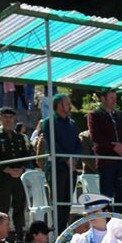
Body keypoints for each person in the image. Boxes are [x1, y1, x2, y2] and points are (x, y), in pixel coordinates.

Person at [40, 93, 84, 230]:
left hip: (71, 167)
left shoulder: (72, 123)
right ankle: (56, 229)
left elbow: (78, 143)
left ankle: (64, 228)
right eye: (67, 103)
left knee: (67, 201)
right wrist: (65, 159)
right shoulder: (49, 122)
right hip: (56, 166)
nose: (70, 106)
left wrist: (74, 159)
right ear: (59, 105)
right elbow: (52, 143)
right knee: (58, 199)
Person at [86, 89, 122, 211]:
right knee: (107, 195)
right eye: (111, 98)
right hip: (106, 161)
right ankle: (107, 223)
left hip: (121, 161)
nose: (114, 100)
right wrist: (113, 146)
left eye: (115, 98)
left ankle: (121, 222)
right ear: (103, 99)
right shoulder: (95, 115)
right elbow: (95, 136)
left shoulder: (119, 115)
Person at [0, 108, 30, 238]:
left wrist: (21, 169)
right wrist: (8, 170)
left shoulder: (19, 137)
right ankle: (1, 233)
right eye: (5, 117)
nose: (8, 120)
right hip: (4, 175)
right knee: (3, 205)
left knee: (19, 204)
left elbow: (26, 155)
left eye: (10, 117)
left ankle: (19, 231)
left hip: (18, 176)